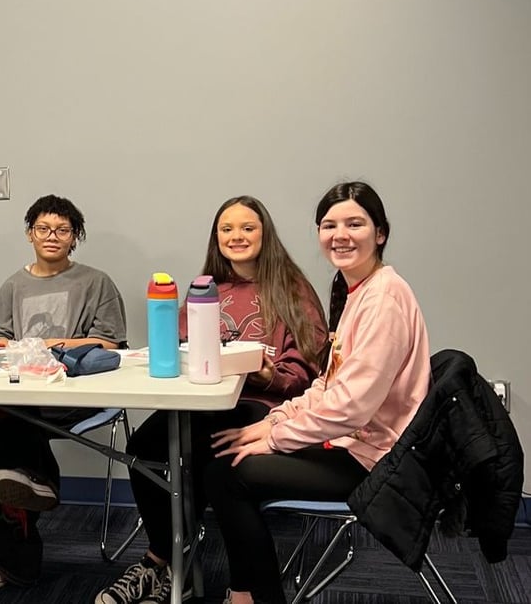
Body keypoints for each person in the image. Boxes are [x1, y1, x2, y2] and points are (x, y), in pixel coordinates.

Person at [205, 182, 430, 604]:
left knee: (229, 474)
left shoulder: (385, 299)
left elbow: (350, 409)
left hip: (377, 460)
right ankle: (245, 595)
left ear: (380, 233)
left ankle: (253, 597)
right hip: (355, 443)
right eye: (329, 225)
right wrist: (273, 421)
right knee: (225, 460)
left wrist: (271, 438)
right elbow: (327, 385)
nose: (340, 235)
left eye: (355, 223)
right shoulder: (358, 291)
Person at [95, 196, 327, 604]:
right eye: (227, 229)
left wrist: (269, 375)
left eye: (247, 228)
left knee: (214, 464)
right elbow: (180, 346)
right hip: (202, 400)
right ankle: (166, 558)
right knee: (144, 448)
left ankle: (212, 578)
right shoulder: (206, 288)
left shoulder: (292, 289)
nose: (236, 236)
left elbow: (308, 367)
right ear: (216, 238)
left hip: (261, 405)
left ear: (265, 234)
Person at [0, 194, 127, 589]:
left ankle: (8, 555)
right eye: (43, 228)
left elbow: (112, 344)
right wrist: (9, 348)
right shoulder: (13, 284)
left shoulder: (96, 282)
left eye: (63, 230)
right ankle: (37, 480)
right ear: (29, 234)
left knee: (0, 427)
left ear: (75, 237)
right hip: (23, 389)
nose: (52, 236)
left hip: (74, 394)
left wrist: (52, 348)